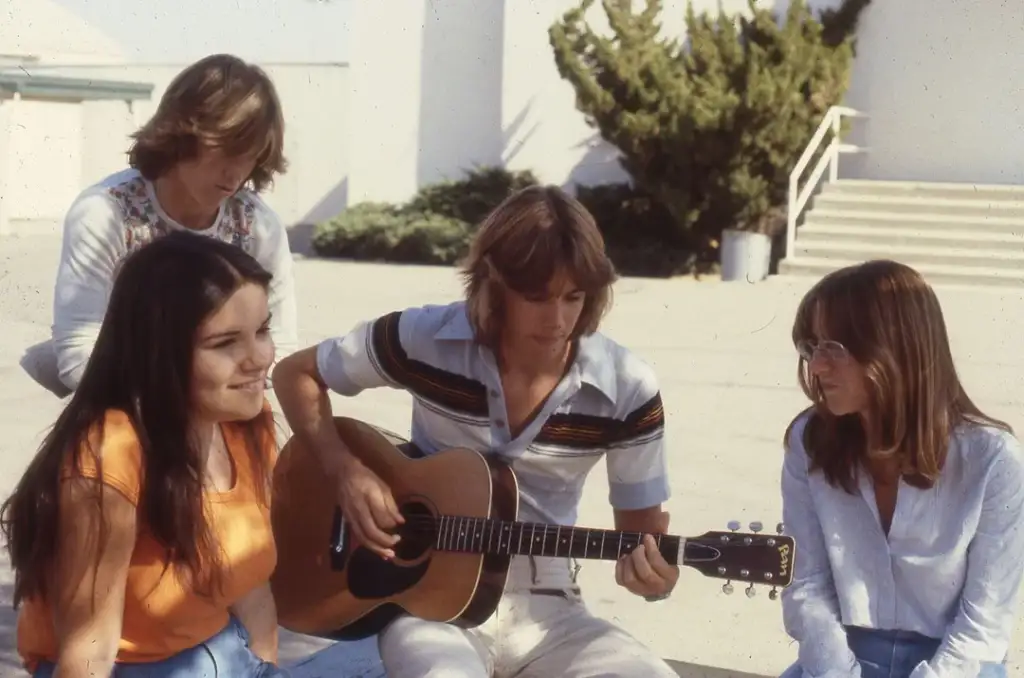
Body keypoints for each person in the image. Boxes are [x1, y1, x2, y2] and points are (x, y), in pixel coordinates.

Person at [272, 185, 679, 677]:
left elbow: (641, 544)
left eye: (574, 297)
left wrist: (656, 581)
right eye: (536, 297)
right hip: (432, 609)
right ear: (493, 283)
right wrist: (345, 471)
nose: (558, 320)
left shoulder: (628, 388)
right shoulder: (425, 338)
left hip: (551, 608)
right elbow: (296, 374)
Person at [3, 231, 288, 677]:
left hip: (228, 657)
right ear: (161, 352)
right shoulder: (110, 455)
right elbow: (88, 654)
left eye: (263, 330)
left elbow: (252, 591)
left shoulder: (249, 424)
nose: (259, 358)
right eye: (225, 343)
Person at [778, 259, 1023, 678]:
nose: (816, 367)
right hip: (842, 659)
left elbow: (984, 623)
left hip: (955, 666)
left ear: (893, 348)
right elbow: (807, 584)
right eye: (811, 348)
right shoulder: (808, 440)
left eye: (832, 348)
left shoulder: (994, 460)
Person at [22, 52, 298, 398]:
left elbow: (282, 346)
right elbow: (79, 351)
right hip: (126, 402)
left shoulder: (257, 226)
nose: (235, 173)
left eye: (250, 156)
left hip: (221, 406)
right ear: (182, 135)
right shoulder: (106, 213)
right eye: (225, 150)